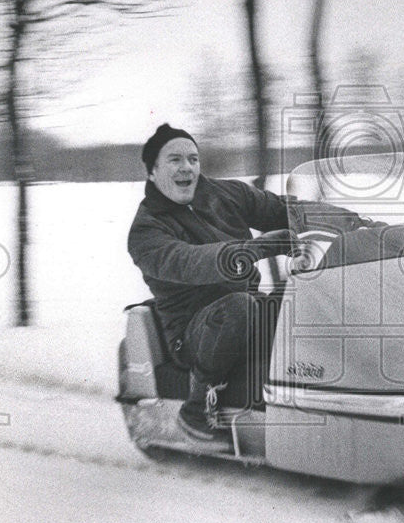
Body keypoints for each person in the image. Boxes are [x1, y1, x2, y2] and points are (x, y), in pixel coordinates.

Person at [127, 123, 301, 440]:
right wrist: (258, 248)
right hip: (195, 334)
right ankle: (198, 409)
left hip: (247, 312)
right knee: (239, 307)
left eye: (193, 159)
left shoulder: (225, 194)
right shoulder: (146, 231)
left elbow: (284, 210)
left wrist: (355, 221)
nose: (187, 168)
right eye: (175, 160)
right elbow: (192, 262)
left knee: (300, 296)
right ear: (152, 171)